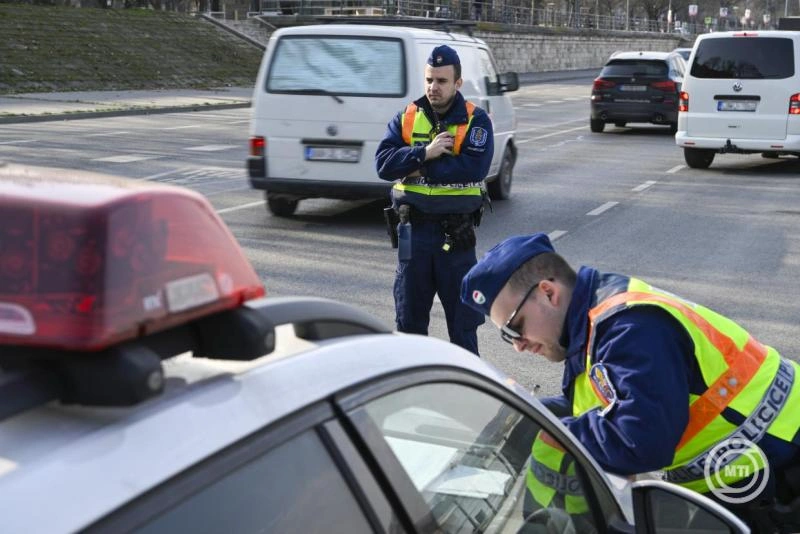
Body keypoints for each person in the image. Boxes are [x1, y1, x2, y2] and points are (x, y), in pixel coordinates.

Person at [460, 233, 800, 532]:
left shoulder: (629, 328)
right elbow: (604, 407)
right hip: (752, 473)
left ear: (549, 293)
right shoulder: (589, 328)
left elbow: (641, 439)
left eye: (514, 328)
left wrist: (554, 431)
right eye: (507, 339)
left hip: (784, 464)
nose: (517, 345)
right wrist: (524, 411)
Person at [375, 44, 493, 356]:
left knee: (463, 326)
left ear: (457, 84)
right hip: (412, 236)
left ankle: (468, 398)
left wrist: (415, 167)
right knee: (409, 325)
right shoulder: (408, 117)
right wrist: (424, 153)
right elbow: (384, 164)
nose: (433, 87)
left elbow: (473, 167)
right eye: (429, 79)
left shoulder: (475, 121)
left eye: (441, 81)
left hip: (455, 239)